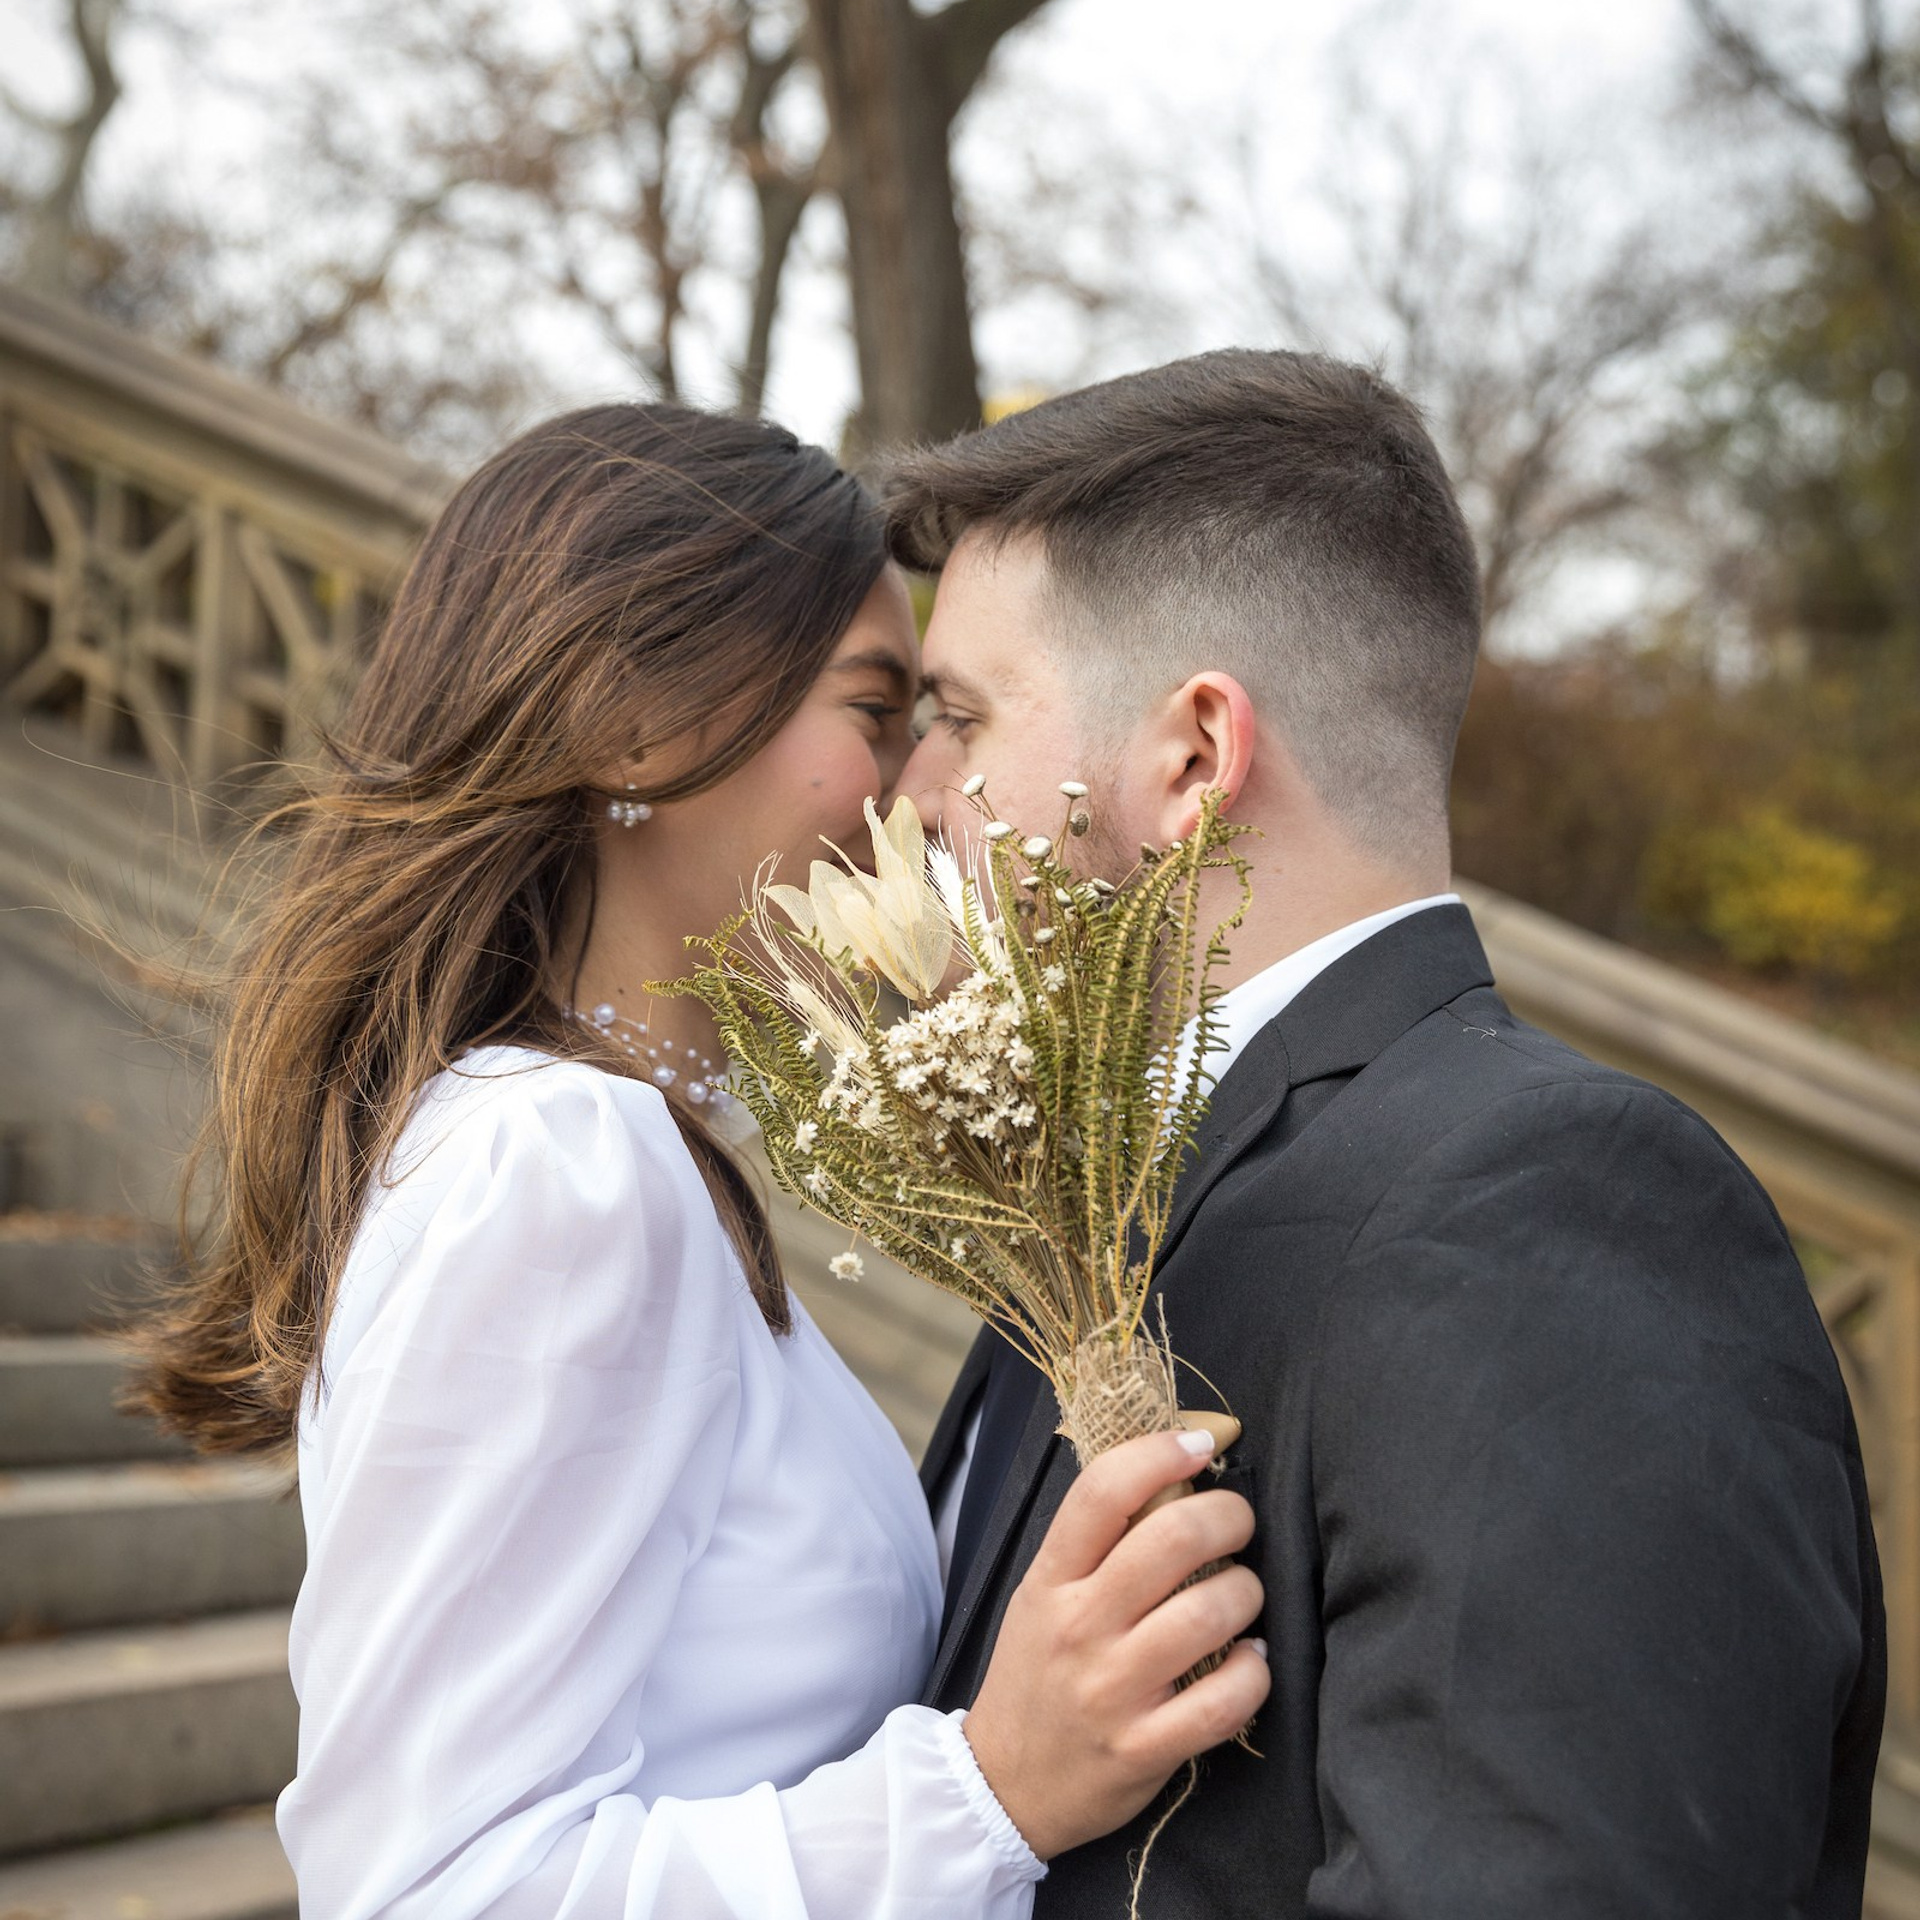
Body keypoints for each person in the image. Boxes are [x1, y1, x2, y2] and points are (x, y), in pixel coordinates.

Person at [128, 401, 1270, 1919]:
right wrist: (990, 1789)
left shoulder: (617, 1150)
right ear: (632, 722)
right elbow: (437, 1891)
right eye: (875, 711)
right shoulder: (558, 1165)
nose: (919, 796)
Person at [887, 349, 1886, 1919]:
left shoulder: (1547, 1221)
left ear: (1196, 760)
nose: (917, 795)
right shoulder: (1105, 1206)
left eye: (960, 718)